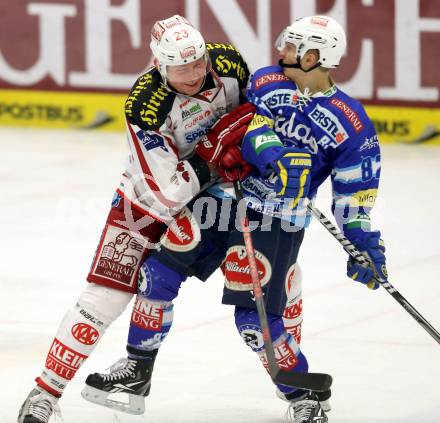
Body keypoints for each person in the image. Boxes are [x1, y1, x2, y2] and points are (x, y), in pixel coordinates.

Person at [84, 15, 387, 423]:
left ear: (317, 57)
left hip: (277, 219)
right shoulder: (265, 82)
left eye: (294, 47)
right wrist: (271, 155)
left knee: (252, 318)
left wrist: (361, 244)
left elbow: (355, 195)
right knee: (157, 274)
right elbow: (250, 128)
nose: (282, 51)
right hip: (223, 198)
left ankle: (301, 394)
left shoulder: (352, 123)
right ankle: (137, 369)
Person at [17, 14, 253, 423]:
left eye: (198, 61)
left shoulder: (228, 62)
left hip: (214, 199)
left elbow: (254, 114)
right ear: (159, 64)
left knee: (267, 280)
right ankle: (44, 393)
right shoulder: (145, 103)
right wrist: (215, 149)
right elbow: (169, 189)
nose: (196, 73)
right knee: (103, 297)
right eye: (182, 67)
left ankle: (298, 389)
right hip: (144, 204)